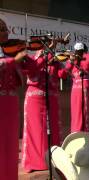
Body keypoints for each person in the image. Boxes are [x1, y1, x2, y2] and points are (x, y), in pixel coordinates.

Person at [21, 40, 68, 172]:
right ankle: (34, 163)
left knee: (52, 129)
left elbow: (63, 75)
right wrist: (46, 56)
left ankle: (52, 159)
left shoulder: (54, 62)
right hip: (35, 98)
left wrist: (63, 63)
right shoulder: (33, 59)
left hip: (51, 98)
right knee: (35, 130)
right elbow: (32, 69)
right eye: (45, 47)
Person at [0, 18, 27, 180]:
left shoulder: (6, 51)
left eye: (6, 29)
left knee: (10, 144)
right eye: (1, 29)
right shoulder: (8, 57)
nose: (5, 32)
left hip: (11, 104)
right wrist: (13, 61)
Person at [65, 42, 89, 133]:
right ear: (85, 49)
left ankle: (75, 134)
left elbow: (64, 72)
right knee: (86, 113)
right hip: (85, 88)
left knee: (76, 113)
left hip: (75, 88)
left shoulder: (71, 57)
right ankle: (87, 134)